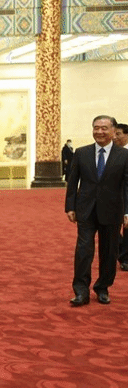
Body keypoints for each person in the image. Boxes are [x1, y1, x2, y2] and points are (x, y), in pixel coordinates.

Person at [65, 115, 128, 306]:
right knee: (84, 250)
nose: (99, 132)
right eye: (96, 128)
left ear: (113, 131)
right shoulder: (81, 153)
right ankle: (81, 291)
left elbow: (127, 186)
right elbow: (73, 181)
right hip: (86, 209)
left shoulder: (124, 155)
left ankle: (103, 288)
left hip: (112, 210)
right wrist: (70, 206)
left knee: (109, 252)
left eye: (104, 128)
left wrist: (127, 211)